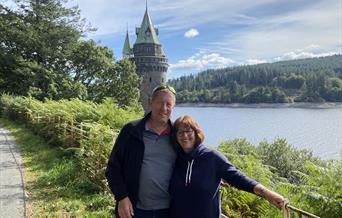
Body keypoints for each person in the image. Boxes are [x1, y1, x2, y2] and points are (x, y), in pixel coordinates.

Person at [169, 115, 284, 218]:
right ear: (176, 136)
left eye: (188, 131)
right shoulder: (175, 159)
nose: (185, 135)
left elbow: (238, 178)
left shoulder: (212, 158)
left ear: (196, 133)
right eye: (180, 132)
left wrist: (266, 193)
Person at [105, 84, 177, 218]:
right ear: (151, 102)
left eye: (168, 104)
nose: (164, 108)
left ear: (174, 106)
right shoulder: (131, 131)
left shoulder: (177, 135)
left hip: (169, 211)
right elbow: (113, 168)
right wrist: (122, 197)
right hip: (134, 210)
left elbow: (195, 156)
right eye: (159, 103)